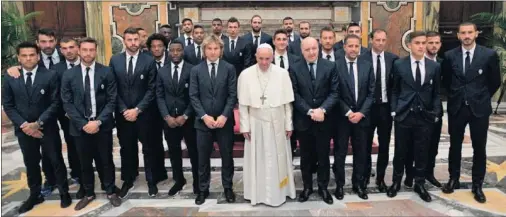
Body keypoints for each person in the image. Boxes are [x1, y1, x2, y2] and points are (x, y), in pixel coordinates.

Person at [2, 41, 72, 213]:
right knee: (31, 163)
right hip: (24, 130)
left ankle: (64, 192)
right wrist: (25, 125)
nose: (28, 58)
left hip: (46, 127)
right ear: (18, 57)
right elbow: (8, 105)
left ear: (38, 56)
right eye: (24, 55)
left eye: (32, 55)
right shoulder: (10, 77)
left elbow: (56, 102)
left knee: (56, 160)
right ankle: (35, 194)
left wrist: (39, 122)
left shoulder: (50, 75)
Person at [441, 22, 501, 203]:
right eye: (463, 33)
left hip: (479, 108)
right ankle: (453, 179)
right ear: (458, 36)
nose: (466, 36)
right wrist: (457, 95)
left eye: (470, 32)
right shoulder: (450, 55)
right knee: (455, 146)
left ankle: (477, 185)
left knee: (479, 148)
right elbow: (446, 81)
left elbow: (495, 81)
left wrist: (480, 96)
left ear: (476, 34)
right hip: (457, 107)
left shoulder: (489, 55)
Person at [60, 37, 121, 210]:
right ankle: (88, 193)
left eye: (91, 50)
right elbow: (67, 102)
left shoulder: (106, 72)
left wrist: (99, 121)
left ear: (96, 51)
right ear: (79, 51)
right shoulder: (69, 74)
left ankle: (110, 191)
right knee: (84, 162)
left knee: (106, 160)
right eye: (85, 50)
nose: (88, 53)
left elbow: (112, 100)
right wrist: (83, 124)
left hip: (102, 126)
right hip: (80, 128)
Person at [387, 31, 442, 203]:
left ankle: (419, 183)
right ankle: (396, 182)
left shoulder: (434, 66)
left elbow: (436, 93)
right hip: (404, 115)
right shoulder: (399, 64)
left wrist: (434, 112)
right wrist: (394, 110)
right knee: (400, 151)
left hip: (425, 116)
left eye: (424, 43)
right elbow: (394, 89)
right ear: (409, 45)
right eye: (417, 43)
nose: (421, 46)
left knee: (422, 151)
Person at [239, 44, 296, 206]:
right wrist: (244, 126)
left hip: (277, 123)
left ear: (273, 57)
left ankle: (280, 192)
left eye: (267, 59)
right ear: (256, 57)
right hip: (255, 124)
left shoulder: (282, 74)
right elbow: (243, 105)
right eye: (261, 58)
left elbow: (287, 105)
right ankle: (257, 194)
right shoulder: (246, 74)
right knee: (258, 160)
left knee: (277, 159)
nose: (264, 62)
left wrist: (288, 124)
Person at [109, 27, 162, 198]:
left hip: (144, 114)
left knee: (149, 148)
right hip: (123, 114)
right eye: (129, 39)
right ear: (124, 41)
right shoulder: (114, 60)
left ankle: (151, 181)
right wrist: (124, 109)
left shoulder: (149, 61)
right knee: (127, 148)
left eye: (135, 39)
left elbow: (152, 89)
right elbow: (113, 88)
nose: (133, 43)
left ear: (140, 40)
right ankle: (128, 179)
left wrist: (138, 109)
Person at [189, 35, 237, 205]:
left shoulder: (229, 68)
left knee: (227, 156)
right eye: (209, 48)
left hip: (224, 122)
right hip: (203, 123)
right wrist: (204, 116)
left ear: (221, 51)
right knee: (202, 158)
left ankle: (228, 187)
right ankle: (203, 189)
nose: (213, 51)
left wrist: (224, 115)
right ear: (204, 51)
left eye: (216, 48)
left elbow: (232, 95)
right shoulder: (196, 70)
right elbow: (193, 96)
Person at [290, 37, 338, 205]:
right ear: (302, 51)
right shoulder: (295, 68)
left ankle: (323, 188)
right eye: (307, 49)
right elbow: (295, 95)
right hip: (304, 120)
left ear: (318, 48)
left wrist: (322, 110)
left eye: (314, 49)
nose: (311, 52)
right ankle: (307, 187)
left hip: (324, 120)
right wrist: (310, 111)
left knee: (324, 156)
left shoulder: (330, 66)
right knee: (306, 157)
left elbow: (334, 92)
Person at [333, 34, 375, 200]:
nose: (353, 49)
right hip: (342, 119)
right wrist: (349, 113)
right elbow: (335, 93)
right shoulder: (335, 66)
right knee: (340, 153)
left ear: (360, 47)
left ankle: (358, 184)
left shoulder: (367, 65)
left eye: (356, 46)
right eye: (350, 46)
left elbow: (372, 93)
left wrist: (361, 113)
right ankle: (340, 185)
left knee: (361, 152)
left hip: (362, 118)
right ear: (344, 47)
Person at [157, 40, 200, 196]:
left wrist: (186, 115)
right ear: (168, 52)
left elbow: (194, 96)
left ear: (183, 51)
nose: (175, 53)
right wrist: (166, 116)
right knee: (174, 153)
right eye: (172, 50)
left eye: (178, 50)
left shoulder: (192, 70)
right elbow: (159, 96)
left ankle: (197, 181)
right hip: (170, 121)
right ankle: (179, 180)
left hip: (188, 120)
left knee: (194, 152)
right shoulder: (162, 71)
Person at [363, 29, 399, 192]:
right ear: (371, 40)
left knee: (384, 145)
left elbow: (396, 86)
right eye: (377, 40)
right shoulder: (362, 58)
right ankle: (364, 176)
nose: (380, 43)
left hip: (385, 108)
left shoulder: (393, 59)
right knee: (365, 145)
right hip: (368, 109)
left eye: (383, 40)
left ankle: (380, 178)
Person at [272, 29, 301, 159]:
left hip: (292, 100)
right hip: (273, 103)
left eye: (284, 39)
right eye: (279, 39)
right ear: (274, 41)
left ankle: (291, 157)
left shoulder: (296, 59)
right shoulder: (268, 58)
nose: (282, 42)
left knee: (291, 132)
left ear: (288, 41)